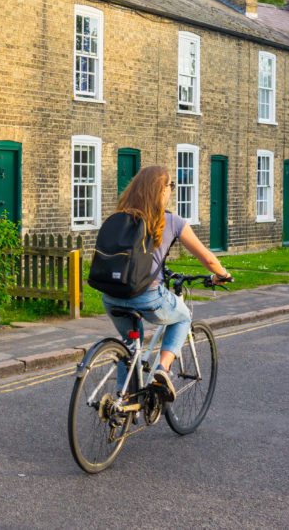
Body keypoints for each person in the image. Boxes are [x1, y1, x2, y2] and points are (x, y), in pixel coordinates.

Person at [102, 165, 232, 401]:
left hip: (110, 295)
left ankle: (122, 401)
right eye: (170, 185)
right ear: (161, 190)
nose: (172, 190)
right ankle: (162, 370)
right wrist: (223, 274)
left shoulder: (120, 216)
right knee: (183, 317)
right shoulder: (171, 221)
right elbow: (208, 258)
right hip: (146, 295)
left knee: (131, 345)